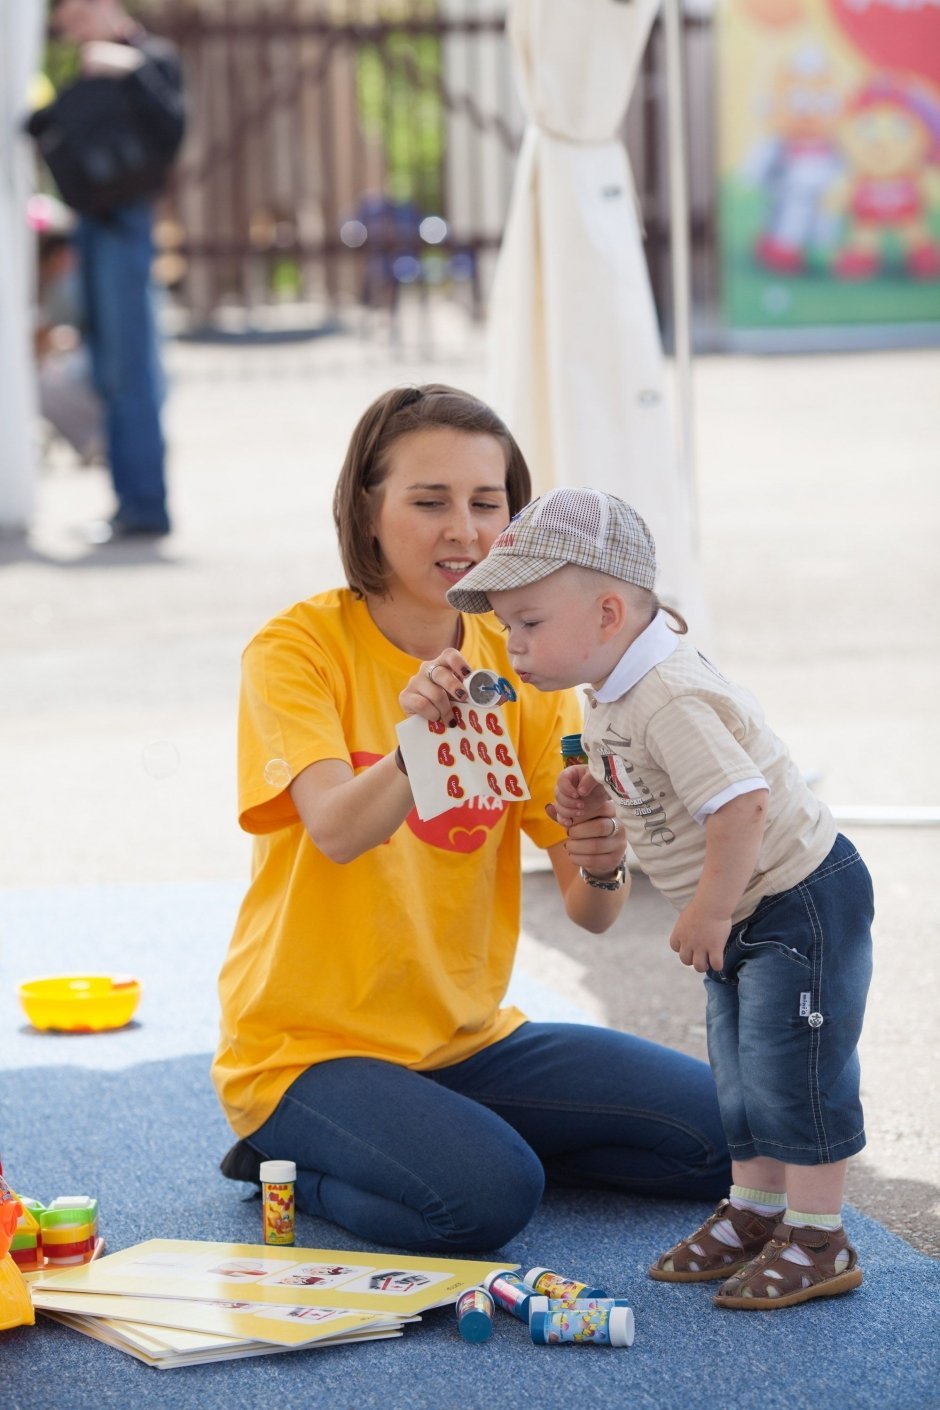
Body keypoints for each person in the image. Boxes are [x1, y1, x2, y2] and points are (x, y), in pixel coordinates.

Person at [213, 385, 730, 1254]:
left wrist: (603, 855)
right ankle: (284, 1158)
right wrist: (420, 742)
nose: (464, 530)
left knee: (728, 1137)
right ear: (367, 511)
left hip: (469, 1044)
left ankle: (445, 1146)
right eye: (429, 501)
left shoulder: (520, 657)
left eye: (488, 503)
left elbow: (591, 908)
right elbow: (338, 831)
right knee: (488, 1202)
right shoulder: (296, 649)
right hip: (306, 1052)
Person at [446, 486, 873, 1307]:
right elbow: (652, 783)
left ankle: (820, 1238)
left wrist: (710, 908)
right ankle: (756, 1211)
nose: (514, 645)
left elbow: (742, 802)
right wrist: (594, 796)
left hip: (794, 901)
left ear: (608, 613)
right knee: (741, 1072)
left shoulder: (667, 694)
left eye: (528, 623)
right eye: (505, 627)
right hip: (743, 907)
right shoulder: (609, 690)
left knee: (798, 1072)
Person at [40, 0, 185, 539]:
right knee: (106, 368)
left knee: (130, 370)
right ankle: (130, 502)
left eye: (77, 16)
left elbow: (173, 131)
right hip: (90, 225)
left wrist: (130, 69)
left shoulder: (152, 58)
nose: (71, 29)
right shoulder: (81, 65)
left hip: (126, 227)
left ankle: (145, 507)